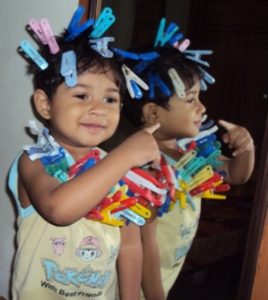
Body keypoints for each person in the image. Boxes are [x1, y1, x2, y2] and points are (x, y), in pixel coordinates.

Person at [7, 9, 162, 300]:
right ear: (45, 104)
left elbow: (129, 245)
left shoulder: (119, 170)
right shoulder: (35, 160)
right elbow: (60, 209)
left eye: (110, 99)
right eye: (81, 95)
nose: (99, 109)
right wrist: (125, 155)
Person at [122, 44, 255, 299]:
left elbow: (236, 175)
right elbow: (143, 246)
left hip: (166, 277)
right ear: (152, 113)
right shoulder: (143, 167)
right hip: (141, 288)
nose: (202, 108)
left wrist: (246, 147)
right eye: (191, 99)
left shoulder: (190, 153)